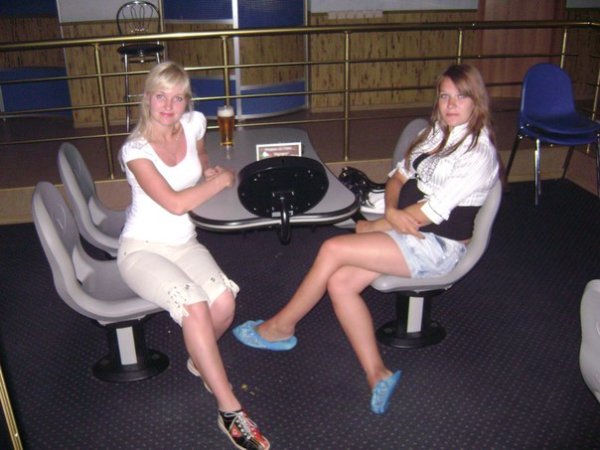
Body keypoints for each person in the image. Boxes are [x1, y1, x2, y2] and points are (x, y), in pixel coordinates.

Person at [232, 64, 499, 415]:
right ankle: (378, 373)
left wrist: (376, 226)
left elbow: (424, 216)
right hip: (408, 231)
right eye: (444, 96)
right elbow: (396, 178)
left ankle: (281, 327)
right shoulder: (437, 132)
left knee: (332, 248)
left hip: (437, 246)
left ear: (476, 100)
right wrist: (391, 212)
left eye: (460, 97)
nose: (450, 105)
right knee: (341, 282)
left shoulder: (478, 154)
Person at [117, 61, 270, 450]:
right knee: (196, 308)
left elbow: (200, 152)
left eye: (178, 98)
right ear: (147, 98)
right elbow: (174, 203)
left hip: (184, 242)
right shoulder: (135, 150)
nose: (169, 106)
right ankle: (229, 409)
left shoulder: (193, 123)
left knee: (224, 303)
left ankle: (198, 358)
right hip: (142, 249)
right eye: (161, 96)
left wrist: (207, 170)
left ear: (187, 101)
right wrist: (222, 181)